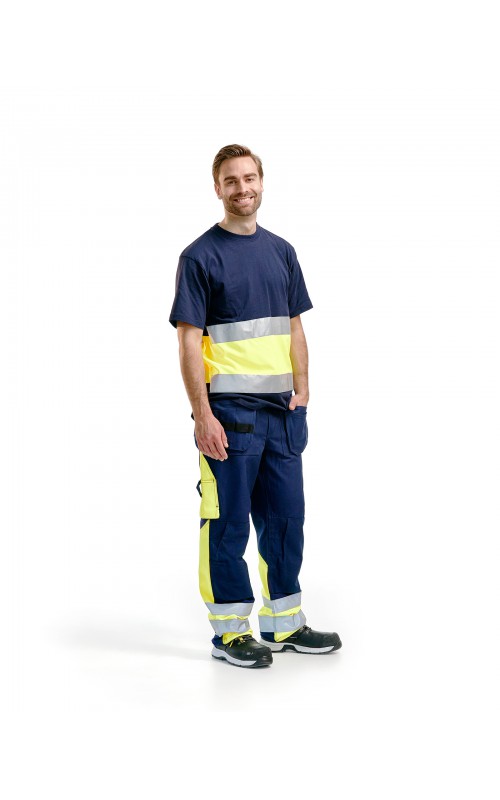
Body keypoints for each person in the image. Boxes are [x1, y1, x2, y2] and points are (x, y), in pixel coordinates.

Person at [169, 144, 342, 668]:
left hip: (283, 415)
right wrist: (203, 415)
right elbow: (187, 341)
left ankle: (284, 623)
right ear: (217, 188)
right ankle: (229, 633)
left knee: (286, 520)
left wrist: (303, 388)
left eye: (249, 178)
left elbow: (294, 325)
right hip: (231, 418)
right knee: (226, 524)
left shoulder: (282, 251)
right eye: (231, 180)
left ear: (261, 182)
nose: (242, 188)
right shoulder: (200, 257)